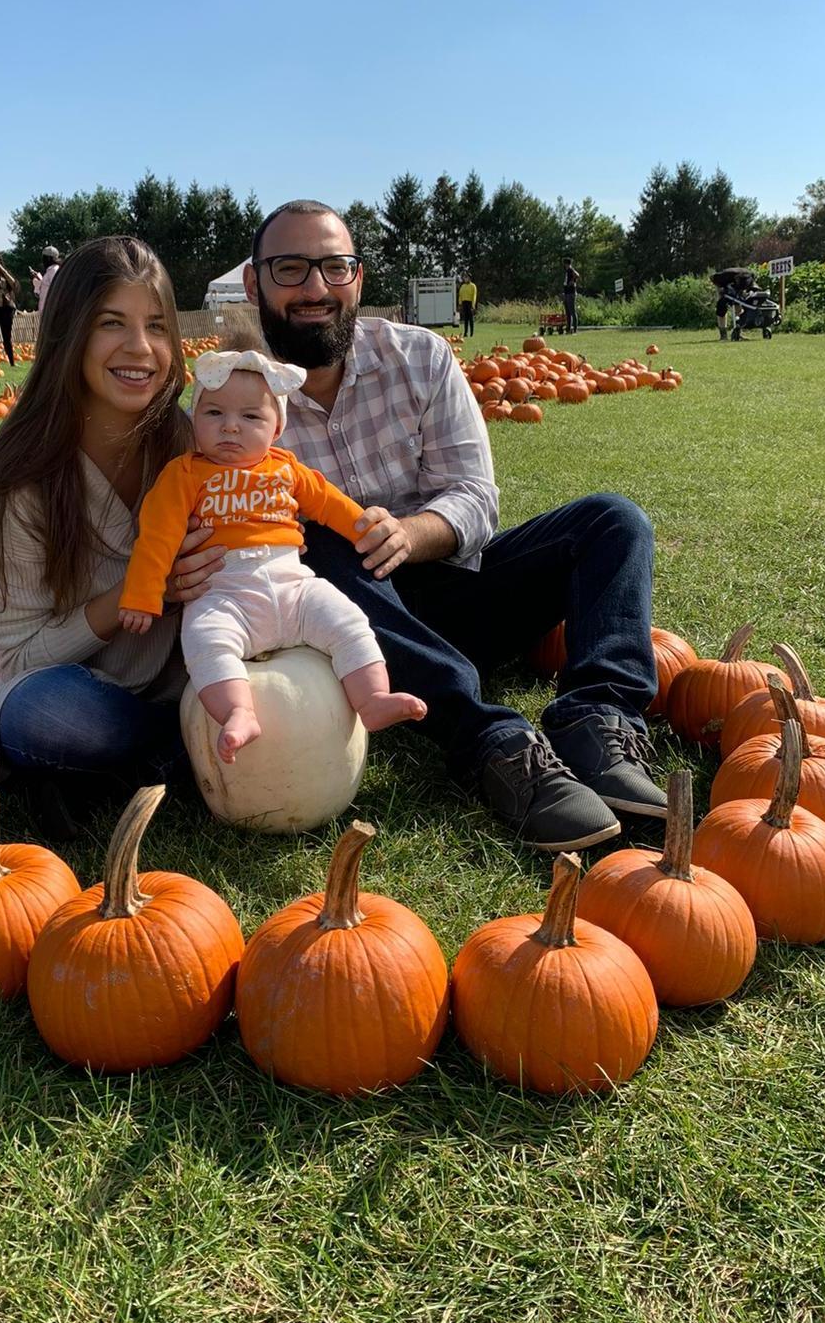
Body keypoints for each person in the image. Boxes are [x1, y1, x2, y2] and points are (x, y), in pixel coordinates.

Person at [239, 199, 665, 853]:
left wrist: (410, 534)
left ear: (358, 277)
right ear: (254, 283)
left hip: (457, 590)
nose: (315, 288)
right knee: (306, 535)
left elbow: (472, 495)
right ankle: (490, 743)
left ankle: (599, 717)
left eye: (333, 267)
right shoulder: (233, 405)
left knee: (612, 522)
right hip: (351, 634)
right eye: (290, 269)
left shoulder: (420, 358)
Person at [0, 236, 227, 817]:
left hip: (196, 683)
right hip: (82, 697)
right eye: (112, 324)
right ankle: (169, 758)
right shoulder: (20, 483)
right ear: (69, 335)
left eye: (156, 326)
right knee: (42, 714)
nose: (141, 348)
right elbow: (23, 662)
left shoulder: (194, 447)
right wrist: (138, 591)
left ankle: (139, 766)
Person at [117, 348, 426, 763]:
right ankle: (238, 711)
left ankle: (372, 698)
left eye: (250, 417)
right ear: (195, 422)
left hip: (292, 585)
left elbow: (331, 504)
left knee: (348, 620)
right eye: (213, 414)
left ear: (277, 427)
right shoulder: (184, 475)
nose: (230, 427)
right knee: (205, 642)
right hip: (222, 593)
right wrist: (142, 594)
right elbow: (157, 537)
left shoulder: (287, 468)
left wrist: (365, 528)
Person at [563, 262, 581, 334]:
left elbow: (577, 275)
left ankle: (575, 329)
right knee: (567, 312)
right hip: (567, 293)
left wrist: (572, 281)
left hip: (571, 293)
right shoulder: (567, 271)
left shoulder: (571, 270)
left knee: (572, 311)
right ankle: (568, 328)